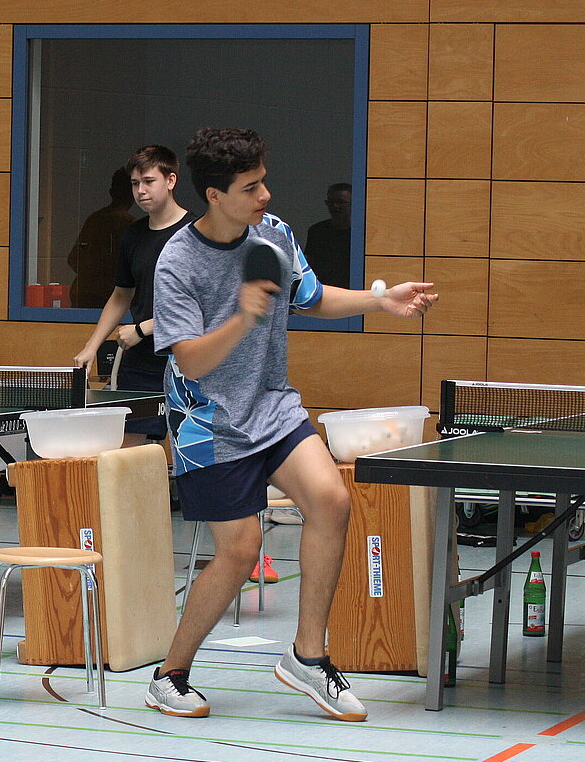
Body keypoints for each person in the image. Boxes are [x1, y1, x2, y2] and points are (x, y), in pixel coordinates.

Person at [145, 128, 437, 722]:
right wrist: (242, 316)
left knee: (332, 500)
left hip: (273, 406)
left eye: (263, 181)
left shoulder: (273, 235)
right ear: (214, 195)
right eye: (250, 187)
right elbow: (190, 360)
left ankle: (308, 654)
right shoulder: (177, 262)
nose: (265, 195)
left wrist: (379, 301)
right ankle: (170, 675)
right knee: (240, 551)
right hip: (208, 423)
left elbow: (311, 297)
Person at [73, 145, 196, 449]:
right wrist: (92, 346)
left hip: (188, 358)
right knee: (130, 450)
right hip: (141, 362)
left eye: (149, 181)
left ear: (171, 180)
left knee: (190, 448)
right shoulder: (133, 233)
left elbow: (201, 304)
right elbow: (121, 295)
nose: (141, 191)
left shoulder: (197, 234)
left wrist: (143, 328)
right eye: (135, 183)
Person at [67, 168, 137, 308]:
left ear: (111, 192)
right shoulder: (128, 224)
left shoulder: (95, 219)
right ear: (133, 194)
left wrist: (90, 277)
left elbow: (73, 259)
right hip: (108, 297)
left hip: (84, 293)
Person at [303, 182, 353, 289]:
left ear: (353, 204)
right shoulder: (317, 231)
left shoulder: (359, 234)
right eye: (331, 202)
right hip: (324, 289)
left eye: (341, 202)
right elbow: (310, 264)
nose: (335, 206)